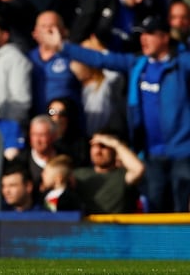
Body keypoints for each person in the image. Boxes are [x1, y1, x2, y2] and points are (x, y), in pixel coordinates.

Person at [43, 15, 190, 212]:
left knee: (182, 208)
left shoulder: (182, 64)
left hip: (182, 152)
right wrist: (64, 47)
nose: (144, 39)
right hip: (151, 154)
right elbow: (101, 59)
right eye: (142, 35)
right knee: (157, 210)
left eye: (150, 34)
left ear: (164, 38)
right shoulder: (138, 64)